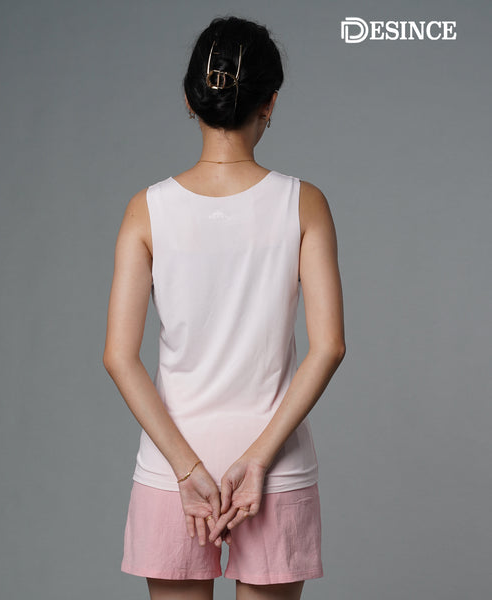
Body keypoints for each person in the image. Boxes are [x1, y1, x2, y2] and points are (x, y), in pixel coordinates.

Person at [103, 15, 346, 600]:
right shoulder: (304, 203)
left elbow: (119, 357)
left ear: (190, 100)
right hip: (274, 465)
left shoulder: (146, 209)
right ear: (271, 102)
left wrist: (187, 469)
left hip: (172, 468)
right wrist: (257, 461)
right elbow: (329, 348)